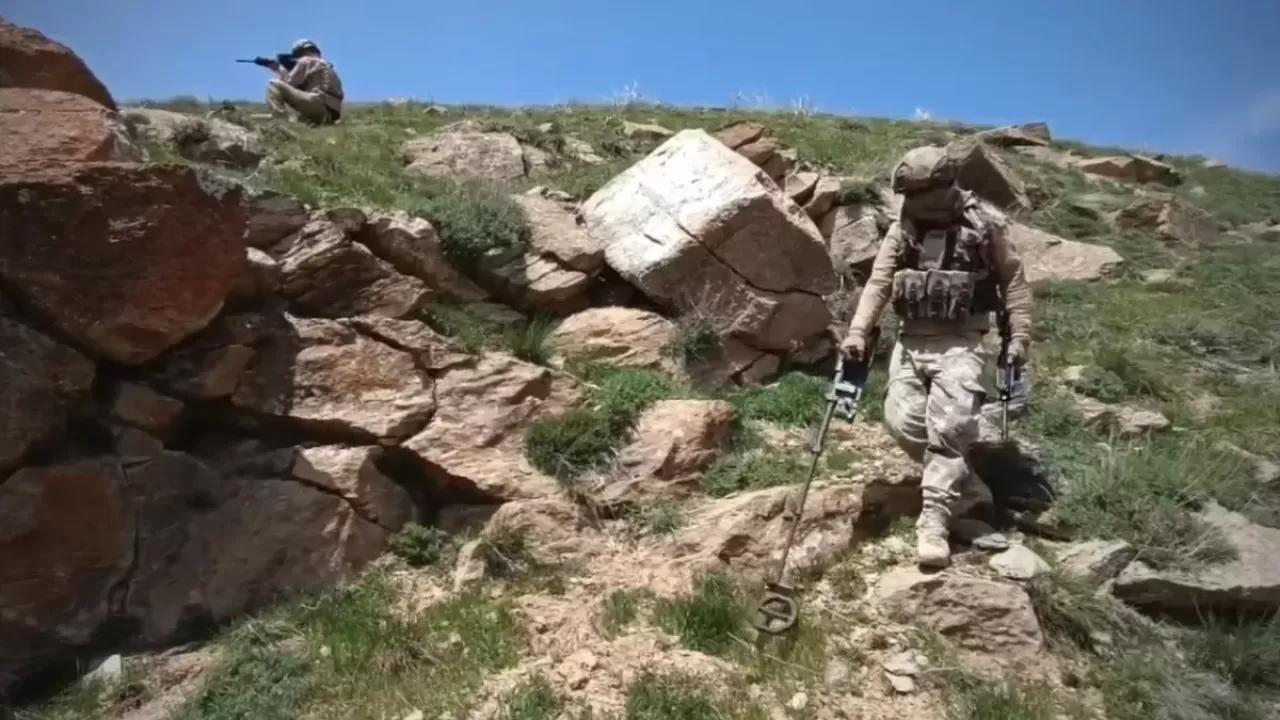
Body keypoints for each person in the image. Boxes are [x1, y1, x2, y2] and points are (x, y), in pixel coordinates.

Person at [839, 145, 1033, 569]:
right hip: (911, 340)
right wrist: (857, 331)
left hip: (961, 341)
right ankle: (972, 493)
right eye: (907, 195)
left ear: (945, 186)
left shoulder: (986, 225)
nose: (911, 202)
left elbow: (1014, 283)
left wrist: (1019, 337)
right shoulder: (903, 227)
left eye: (918, 194)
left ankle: (935, 521)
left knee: (950, 428)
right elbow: (879, 283)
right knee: (902, 420)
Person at [265, 39, 344, 125]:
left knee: (273, 84)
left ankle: (279, 122)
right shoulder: (328, 67)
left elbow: (288, 83)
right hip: (330, 116)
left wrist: (279, 69)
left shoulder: (306, 60)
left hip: (317, 105)